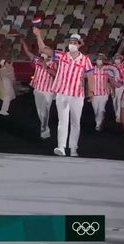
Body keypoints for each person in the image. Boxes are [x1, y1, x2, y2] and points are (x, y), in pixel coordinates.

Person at [34, 28, 95, 157]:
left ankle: (73, 148)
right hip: (62, 92)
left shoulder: (85, 60)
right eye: (71, 42)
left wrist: (91, 92)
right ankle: (61, 147)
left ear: (79, 45)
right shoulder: (61, 55)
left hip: (77, 95)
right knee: (63, 121)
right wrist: (39, 35)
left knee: (75, 122)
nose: (72, 44)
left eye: (75, 42)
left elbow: (90, 76)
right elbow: (43, 49)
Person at [21, 39, 56, 139]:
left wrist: (47, 67)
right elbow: (28, 53)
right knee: (40, 111)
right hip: (37, 89)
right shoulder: (38, 61)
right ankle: (44, 127)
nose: (43, 53)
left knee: (45, 111)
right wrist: (24, 43)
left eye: (46, 51)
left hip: (48, 91)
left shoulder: (53, 63)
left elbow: (56, 74)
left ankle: (44, 129)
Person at [91, 53, 114, 131]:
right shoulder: (92, 69)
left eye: (100, 59)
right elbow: (89, 81)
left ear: (103, 60)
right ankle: (99, 119)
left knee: (101, 108)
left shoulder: (107, 69)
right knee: (95, 109)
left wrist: (113, 90)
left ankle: (98, 123)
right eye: (98, 59)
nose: (99, 60)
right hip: (94, 93)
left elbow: (111, 80)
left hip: (104, 92)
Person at [111, 41, 124, 123]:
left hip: (121, 85)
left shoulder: (123, 65)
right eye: (116, 58)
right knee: (114, 101)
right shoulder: (112, 67)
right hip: (114, 86)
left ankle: (118, 116)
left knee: (119, 100)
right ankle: (116, 114)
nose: (117, 60)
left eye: (118, 58)